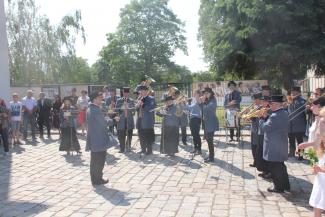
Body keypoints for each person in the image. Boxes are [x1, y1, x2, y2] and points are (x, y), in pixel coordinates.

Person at [297, 97, 325, 217]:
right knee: (319, 192)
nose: (311, 107)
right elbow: (318, 141)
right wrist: (305, 149)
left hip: (321, 155)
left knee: (320, 192)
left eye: (314, 105)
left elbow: (318, 140)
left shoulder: (321, 120)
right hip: (318, 154)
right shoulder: (318, 119)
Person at [260, 95, 290, 193]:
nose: (269, 105)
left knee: (274, 167)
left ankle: (278, 187)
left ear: (276, 104)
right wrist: (267, 117)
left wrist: (262, 119)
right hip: (281, 143)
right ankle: (286, 185)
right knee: (281, 166)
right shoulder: (284, 112)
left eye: (271, 103)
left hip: (273, 145)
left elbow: (264, 128)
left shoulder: (274, 116)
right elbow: (275, 124)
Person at [86, 91, 114, 185]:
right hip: (99, 139)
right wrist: (113, 120)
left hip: (94, 138)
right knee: (99, 160)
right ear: (94, 99)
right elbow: (104, 123)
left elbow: (100, 120)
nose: (101, 99)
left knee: (94, 161)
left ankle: (94, 179)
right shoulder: (96, 110)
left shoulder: (91, 108)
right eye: (99, 97)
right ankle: (98, 179)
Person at [287, 86, 306, 160]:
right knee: (291, 140)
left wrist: (294, 100)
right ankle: (291, 152)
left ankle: (301, 155)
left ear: (298, 93)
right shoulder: (290, 100)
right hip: (290, 124)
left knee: (300, 141)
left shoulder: (302, 100)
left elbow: (300, 108)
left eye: (294, 92)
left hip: (299, 124)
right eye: (292, 92)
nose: (292, 93)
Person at [135, 85, 156, 155]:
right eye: (141, 91)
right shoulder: (140, 98)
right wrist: (137, 105)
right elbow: (136, 109)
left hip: (147, 121)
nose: (141, 92)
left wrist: (142, 104)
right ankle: (143, 149)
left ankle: (149, 150)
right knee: (141, 135)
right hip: (140, 119)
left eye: (143, 91)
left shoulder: (151, 99)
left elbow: (150, 108)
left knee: (148, 136)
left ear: (147, 91)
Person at [115, 87, 135, 153]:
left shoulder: (131, 100)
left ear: (128, 93)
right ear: (123, 93)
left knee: (129, 134)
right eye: (124, 92)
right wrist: (121, 108)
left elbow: (134, 110)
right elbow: (116, 110)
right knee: (121, 135)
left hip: (129, 119)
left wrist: (129, 107)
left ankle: (128, 147)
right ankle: (122, 148)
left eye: (127, 92)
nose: (125, 94)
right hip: (121, 120)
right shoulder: (119, 100)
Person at [202, 87, 219, 163]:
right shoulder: (207, 100)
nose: (205, 94)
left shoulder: (213, 100)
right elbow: (202, 108)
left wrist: (203, 102)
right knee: (208, 140)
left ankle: (211, 157)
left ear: (211, 93)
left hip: (211, 122)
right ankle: (210, 155)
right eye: (205, 93)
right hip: (207, 122)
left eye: (207, 93)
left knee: (210, 140)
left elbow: (209, 108)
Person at [256, 96, 271, 179]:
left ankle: (269, 171)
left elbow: (269, 121)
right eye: (261, 101)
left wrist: (263, 117)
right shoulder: (262, 108)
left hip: (265, 134)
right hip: (260, 133)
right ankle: (264, 170)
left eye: (263, 101)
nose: (262, 103)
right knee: (260, 152)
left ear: (267, 102)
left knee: (265, 153)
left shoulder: (270, 110)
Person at [248, 92, 262, 167]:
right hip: (254, 129)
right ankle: (255, 161)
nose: (254, 101)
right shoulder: (255, 106)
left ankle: (301, 155)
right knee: (253, 146)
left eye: (255, 99)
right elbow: (251, 118)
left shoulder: (262, 107)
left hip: (300, 126)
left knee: (300, 141)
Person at [188, 90, 202, 155]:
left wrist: (186, 104)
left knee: (196, 134)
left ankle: (199, 149)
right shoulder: (193, 100)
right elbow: (190, 108)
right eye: (193, 93)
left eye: (195, 93)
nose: (193, 94)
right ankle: (195, 148)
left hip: (196, 119)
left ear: (198, 94)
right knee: (193, 134)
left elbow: (193, 107)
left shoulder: (199, 100)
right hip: (192, 119)